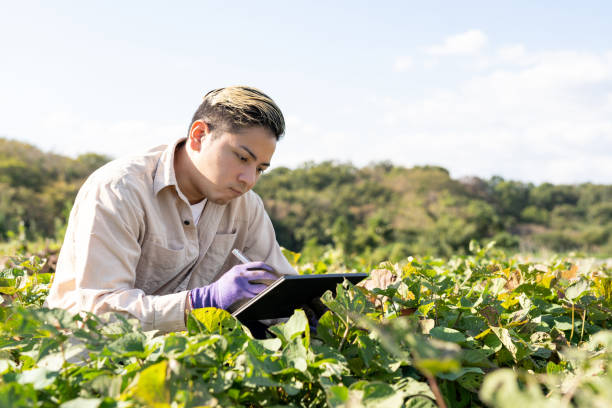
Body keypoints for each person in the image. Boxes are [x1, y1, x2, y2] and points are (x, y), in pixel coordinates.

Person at [45, 86, 297, 332]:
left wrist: (311, 310)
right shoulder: (118, 190)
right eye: (242, 158)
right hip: (86, 352)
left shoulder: (246, 204)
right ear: (199, 136)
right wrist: (201, 302)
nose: (249, 179)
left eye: (260, 169)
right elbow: (101, 313)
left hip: (181, 353)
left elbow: (281, 289)